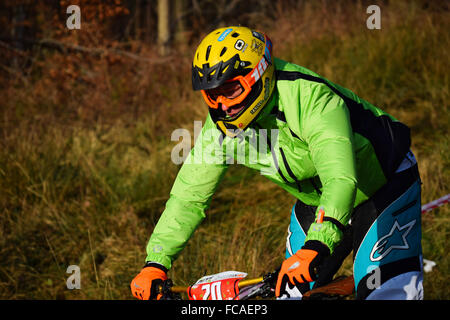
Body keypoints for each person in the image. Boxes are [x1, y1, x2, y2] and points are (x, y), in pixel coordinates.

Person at [130, 26, 423, 300]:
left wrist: (317, 244)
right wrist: (156, 261)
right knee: (288, 294)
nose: (223, 106)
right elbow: (189, 197)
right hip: (318, 200)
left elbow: (340, 177)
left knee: (389, 292)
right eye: (212, 94)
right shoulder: (220, 128)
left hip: (383, 186)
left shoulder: (311, 97)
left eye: (231, 90)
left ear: (260, 75)